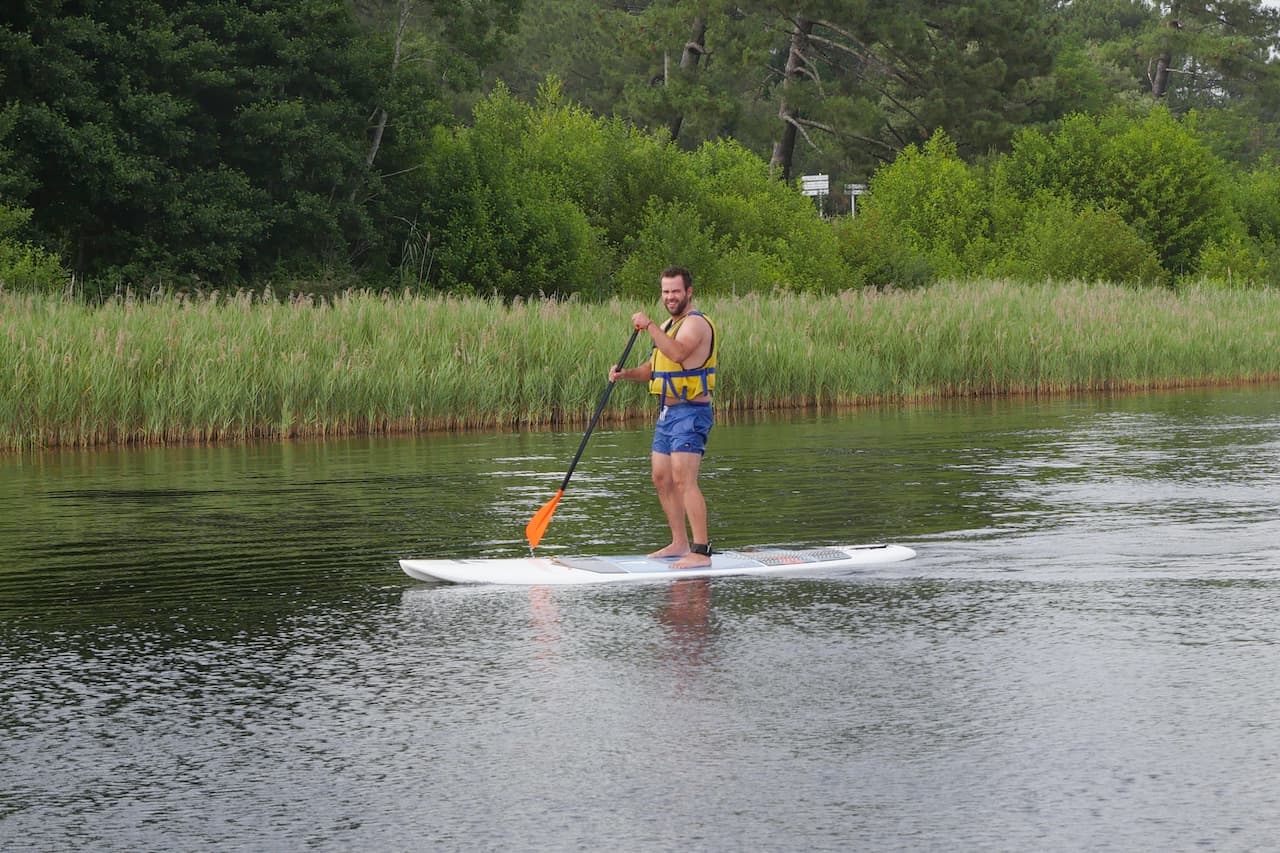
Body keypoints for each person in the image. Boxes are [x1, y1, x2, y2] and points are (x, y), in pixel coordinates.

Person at [609, 266, 717, 569]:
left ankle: (701, 551)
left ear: (689, 292)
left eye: (675, 291)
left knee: (685, 480)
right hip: (667, 414)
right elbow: (654, 368)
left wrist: (650, 325)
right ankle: (679, 542)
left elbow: (679, 354)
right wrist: (624, 374)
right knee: (661, 478)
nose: (670, 297)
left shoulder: (695, 325)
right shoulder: (669, 324)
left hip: (692, 413)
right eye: (665, 291)